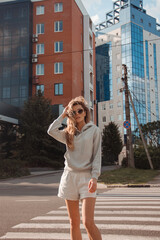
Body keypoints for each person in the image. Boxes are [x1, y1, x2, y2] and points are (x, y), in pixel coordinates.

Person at [47, 96, 102, 240]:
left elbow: (96, 156)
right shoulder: (68, 133)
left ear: (85, 112)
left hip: (87, 178)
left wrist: (95, 177)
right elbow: (51, 131)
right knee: (74, 223)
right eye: (74, 112)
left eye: (80, 111)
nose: (77, 114)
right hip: (69, 178)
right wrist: (63, 115)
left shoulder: (94, 130)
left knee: (88, 222)